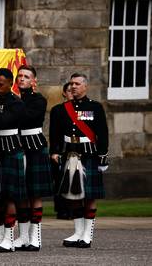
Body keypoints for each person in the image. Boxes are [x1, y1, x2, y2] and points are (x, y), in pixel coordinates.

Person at [50, 73, 108, 248]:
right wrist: (55, 151)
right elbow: (55, 134)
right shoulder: (61, 109)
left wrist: (103, 157)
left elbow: (102, 134)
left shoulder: (95, 107)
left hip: (89, 155)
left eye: (77, 83)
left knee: (89, 196)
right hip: (70, 155)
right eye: (71, 84)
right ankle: (78, 232)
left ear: (85, 86)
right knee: (73, 195)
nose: (73, 86)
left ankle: (87, 235)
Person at [0, 68, 26, 252]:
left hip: (11, 151)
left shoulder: (16, 103)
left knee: (10, 196)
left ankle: (9, 238)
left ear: (11, 83)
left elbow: (2, 122)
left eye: (0, 84)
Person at [15, 65, 52, 251]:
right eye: (19, 76)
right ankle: (22, 236)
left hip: (35, 146)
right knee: (21, 193)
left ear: (33, 81)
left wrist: (16, 103)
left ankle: (35, 237)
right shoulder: (11, 99)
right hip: (17, 146)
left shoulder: (39, 99)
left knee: (35, 193)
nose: (22, 79)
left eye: (26, 76)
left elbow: (28, 117)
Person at [50, 82, 74, 220]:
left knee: (74, 180)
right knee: (60, 181)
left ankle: (73, 209)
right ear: (64, 93)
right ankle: (62, 210)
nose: (72, 93)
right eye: (69, 91)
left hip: (76, 150)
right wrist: (55, 151)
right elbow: (54, 133)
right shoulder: (57, 110)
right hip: (61, 149)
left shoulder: (82, 110)